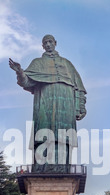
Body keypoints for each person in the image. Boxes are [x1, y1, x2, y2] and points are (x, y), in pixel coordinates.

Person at [9, 35, 87, 169]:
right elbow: (26, 81)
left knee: (64, 136)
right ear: (42, 46)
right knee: (43, 133)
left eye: (50, 42)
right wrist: (20, 72)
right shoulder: (37, 63)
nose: (48, 44)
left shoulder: (67, 64)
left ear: (55, 43)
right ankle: (42, 168)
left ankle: (63, 168)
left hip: (66, 105)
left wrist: (80, 107)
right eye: (45, 42)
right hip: (45, 102)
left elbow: (79, 88)